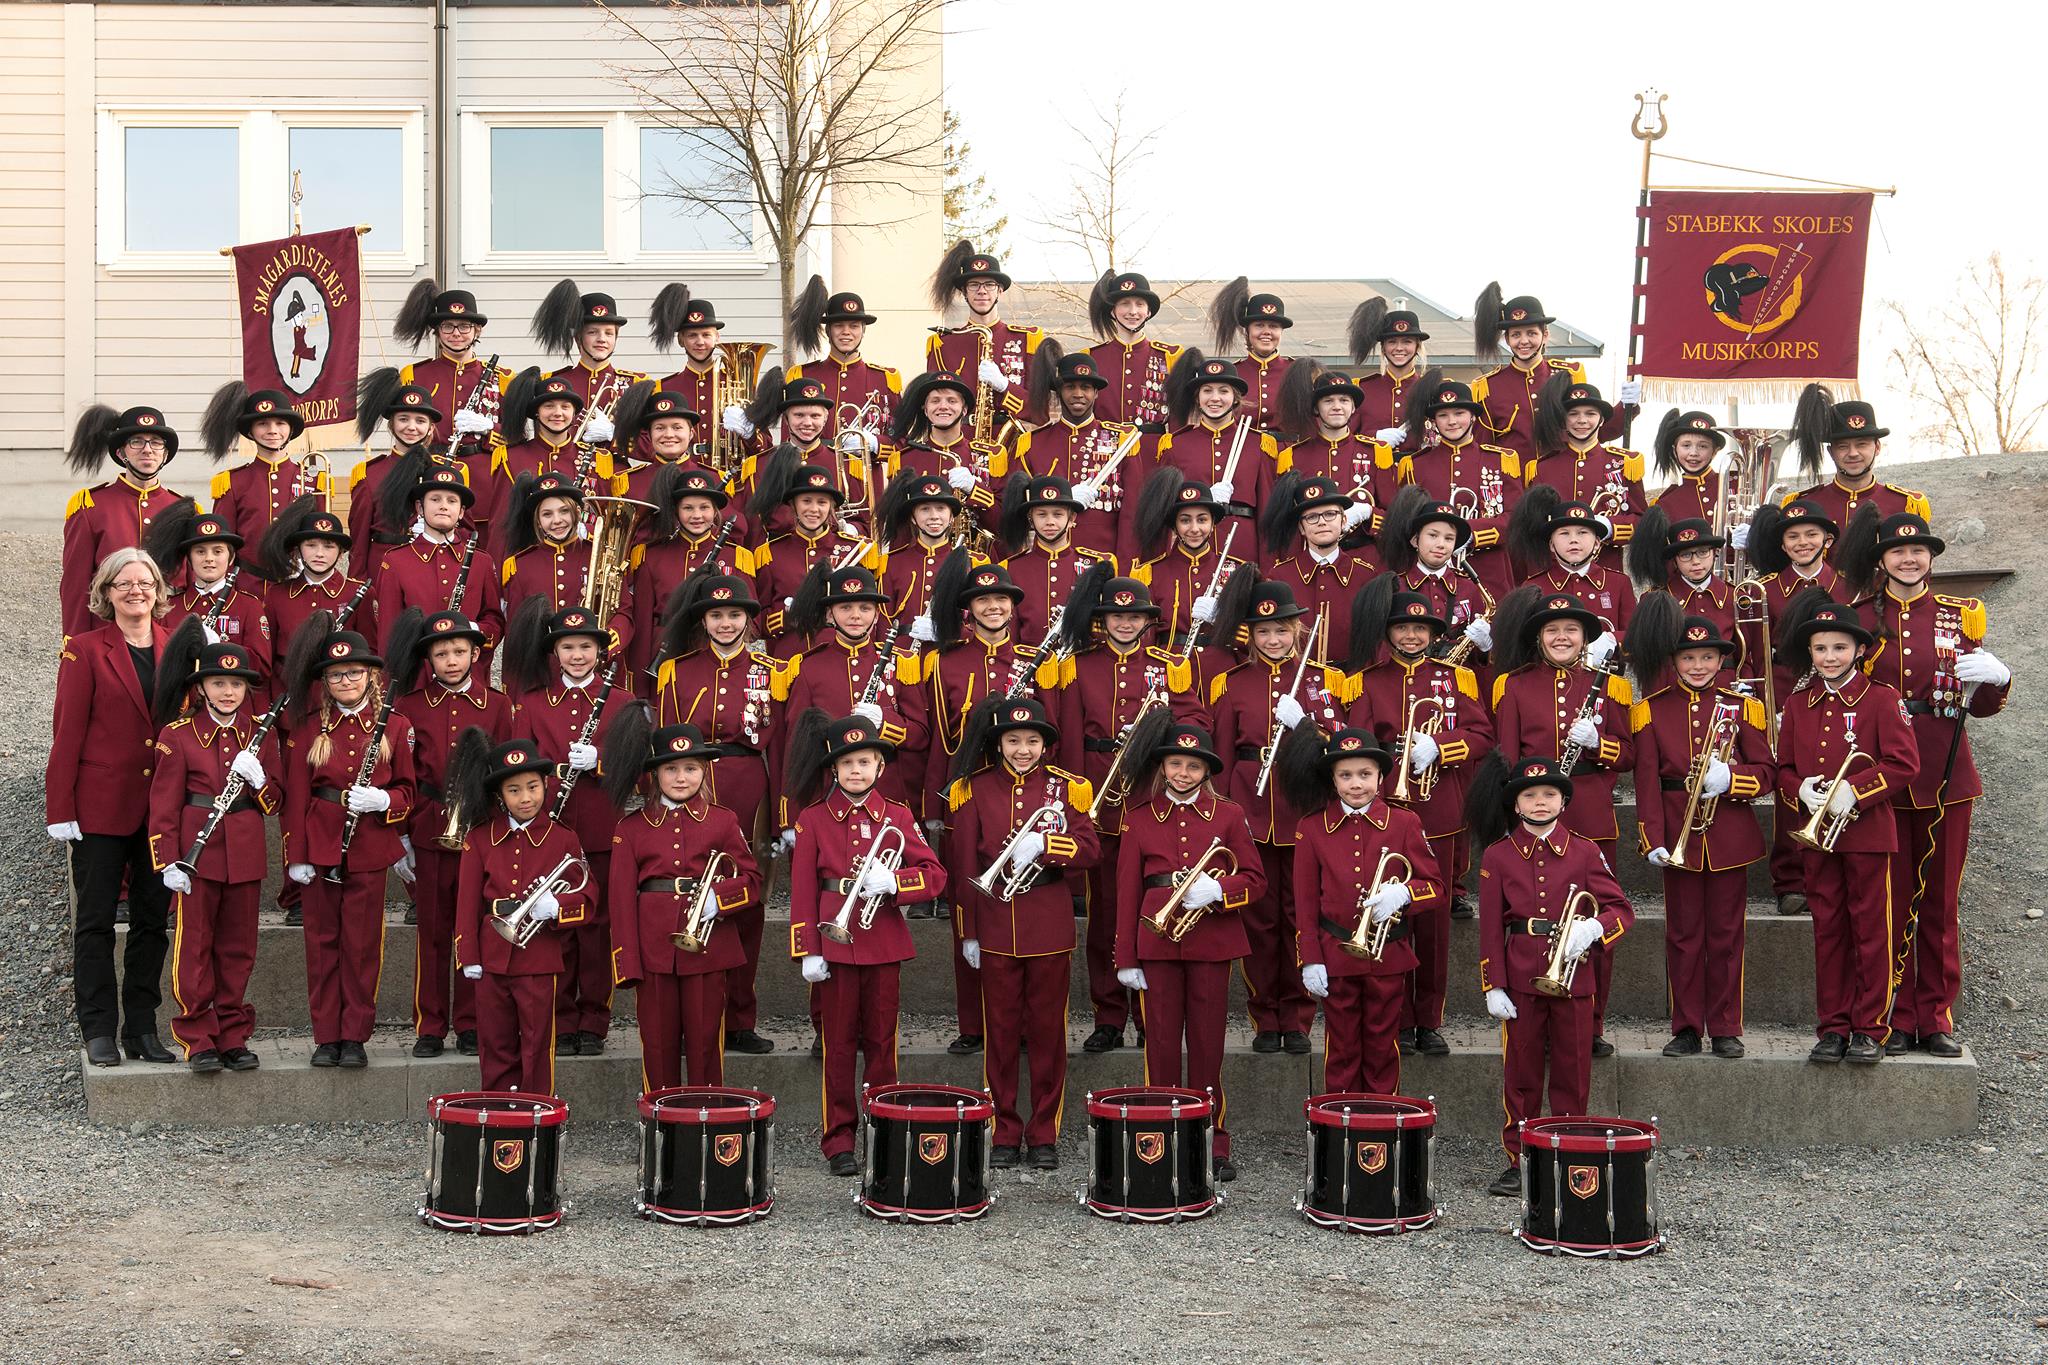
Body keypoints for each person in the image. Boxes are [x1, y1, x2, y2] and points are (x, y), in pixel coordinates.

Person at [1838, 509, 2011, 1057]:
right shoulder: (1858, 617)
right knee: (1884, 900)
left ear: (1930, 557)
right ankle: (1889, 1015)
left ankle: (1933, 1014)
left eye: (1918, 551)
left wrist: (1998, 680)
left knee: (1938, 900)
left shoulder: (1961, 616)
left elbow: (1979, 704)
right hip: (1880, 775)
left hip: (1944, 771)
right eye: (1896, 551)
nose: (1908, 559)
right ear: (1881, 559)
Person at [1044, 572, 1202, 1053]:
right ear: (1103, 620)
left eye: (1135, 616)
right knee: (1106, 916)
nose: (1126, 623)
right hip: (1100, 803)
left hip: (1153, 801)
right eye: (1117, 615)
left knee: (1150, 911)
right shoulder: (1077, 666)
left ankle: (1151, 1015)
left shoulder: (1168, 665)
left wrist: (1160, 733)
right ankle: (1109, 1015)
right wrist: (1072, 802)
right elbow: (1060, 732)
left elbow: (1198, 720)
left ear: (1147, 620)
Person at [785, 711, 948, 1173]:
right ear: (833, 770)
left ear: (880, 768)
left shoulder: (897, 816)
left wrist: (895, 882)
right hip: (832, 943)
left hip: (883, 942)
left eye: (865, 762)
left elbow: (936, 875)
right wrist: (807, 949)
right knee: (836, 1045)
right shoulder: (813, 819)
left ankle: (885, 1130)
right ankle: (838, 1141)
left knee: (882, 1042)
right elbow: (801, 891)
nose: (856, 771)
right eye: (847, 763)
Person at [1469, 753, 1634, 1197]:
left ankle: (1569, 1155)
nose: (1540, 802)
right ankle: (1519, 1160)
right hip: (1521, 976)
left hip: (1575, 978)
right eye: (1529, 795)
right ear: (1516, 804)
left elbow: (1621, 909)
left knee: (1571, 1072)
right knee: (1520, 1075)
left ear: (1564, 801)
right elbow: (1489, 926)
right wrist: (1493, 983)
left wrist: (1596, 928)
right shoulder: (1498, 855)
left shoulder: (1585, 850)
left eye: (1549, 794)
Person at [947, 695, 1099, 1169]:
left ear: (1045, 745)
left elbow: (1092, 850)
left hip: (1049, 920)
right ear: (998, 744)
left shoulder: (1068, 789)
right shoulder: (971, 790)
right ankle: (1005, 1129)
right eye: (1013, 740)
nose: (1023, 749)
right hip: (993, 923)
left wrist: (1049, 844)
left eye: (1032, 741)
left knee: (1050, 1032)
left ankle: (1044, 1132)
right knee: (1002, 1033)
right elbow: (963, 866)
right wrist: (968, 931)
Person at [1206, 580, 1356, 1055]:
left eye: (1281, 630)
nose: (1272, 639)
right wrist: (1224, 814)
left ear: (1297, 629)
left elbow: (1341, 748)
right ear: (1249, 635)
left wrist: (1305, 725)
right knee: (1258, 921)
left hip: (1304, 812)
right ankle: (1263, 1015)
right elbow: (1224, 754)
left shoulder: (1324, 679)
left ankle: (1297, 1017)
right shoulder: (1230, 682)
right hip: (1249, 811)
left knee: (1300, 917)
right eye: (1262, 631)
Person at [1113, 721, 1266, 1181]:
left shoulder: (1230, 815)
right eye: (1175, 764)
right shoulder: (1138, 817)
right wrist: (1126, 958)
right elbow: (1125, 892)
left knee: (1206, 1047)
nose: (1182, 773)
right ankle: (1158, 1135)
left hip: (1210, 941)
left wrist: (1218, 891)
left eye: (1192, 765)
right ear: (1162, 765)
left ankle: (1211, 1139)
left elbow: (1256, 880)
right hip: (1155, 942)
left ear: (1206, 770)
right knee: (1159, 1045)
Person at [1345, 582, 1495, 1052]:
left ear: (1434, 633)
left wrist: (1442, 747)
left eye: (1420, 628)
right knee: (1390, 916)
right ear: (1389, 633)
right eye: (1403, 628)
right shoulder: (1368, 680)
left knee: (1432, 924)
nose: (1412, 636)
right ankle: (1395, 1017)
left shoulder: (1456, 678)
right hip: (1383, 809)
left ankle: (1428, 1019)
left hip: (1440, 813)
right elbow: (1358, 741)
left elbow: (1482, 735)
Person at [1771, 597, 1918, 1066]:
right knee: (1828, 930)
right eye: (1820, 648)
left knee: (1872, 930)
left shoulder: (1881, 698)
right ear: (1810, 653)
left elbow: (1904, 764)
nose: (1829, 656)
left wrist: (1855, 789)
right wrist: (1803, 791)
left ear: (1858, 650)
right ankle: (1832, 1026)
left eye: (1839, 647)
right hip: (1818, 838)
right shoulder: (1798, 703)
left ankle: (1870, 1027)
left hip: (1868, 833)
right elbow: (1783, 769)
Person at [47, 547, 178, 1067]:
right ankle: (98, 1029)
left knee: (152, 922)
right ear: (106, 592)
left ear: (158, 592)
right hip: (100, 809)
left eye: (144, 582)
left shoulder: (180, 648)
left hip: (160, 810)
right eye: (123, 583)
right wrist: (61, 808)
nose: (135, 590)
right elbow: (67, 734)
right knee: (96, 921)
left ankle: (142, 1028)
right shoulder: (84, 649)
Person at [1489, 586, 1634, 1054]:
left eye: (1572, 630)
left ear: (1585, 637)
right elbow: (1506, 757)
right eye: (1553, 630)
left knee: (1590, 921)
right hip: (1531, 815)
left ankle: (1590, 1024)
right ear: (1539, 637)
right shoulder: (1513, 684)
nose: (1562, 637)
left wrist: (1599, 743)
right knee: (1536, 915)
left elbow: (1628, 754)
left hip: (1590, 811)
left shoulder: (1608, 685)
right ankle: (1536, 1016)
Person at [1626, 601, 1773, 1060]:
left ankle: (1727, 1026)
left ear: (1720, 660)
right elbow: (1647, 783)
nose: (1698, 665)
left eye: (1707, 657)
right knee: (1683, 935)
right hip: (1677, 836)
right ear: (1674, 662)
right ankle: (1686, 1026)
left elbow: (1767, 771)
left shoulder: (1742, 707)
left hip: (1727, 831)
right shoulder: (1649, 710)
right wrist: (1653, 839)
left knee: (1727, 935)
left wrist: (1732, 779)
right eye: (1688, 658)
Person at [650, 574, 780, 1054]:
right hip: (690, 790)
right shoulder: (676, 671)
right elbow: (662, 744)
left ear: (749, 619)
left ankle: (741, 1018)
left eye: (735, 615)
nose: (726, 623)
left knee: (746, 902)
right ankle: (689, 1016)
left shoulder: (773, 669)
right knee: (686, 895)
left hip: (751, 787)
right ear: (703, 620)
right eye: (716, 615)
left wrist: (782, 812)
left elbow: (782, 746)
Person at [918, 555, 1041, 1054]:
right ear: (968, 610)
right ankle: (974, 1025)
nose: (993, 607)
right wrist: (932, 807)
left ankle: (1026, 1025)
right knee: (968, 903)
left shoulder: (1038, 658)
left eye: (1000, 600)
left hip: (1025, 794)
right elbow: (935, 741)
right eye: (982, 601)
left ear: (1013, 607)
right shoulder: (943, 660)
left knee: (1025, 908)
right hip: (966, 794)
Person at [1279, 725, 1444, 1095]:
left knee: (1383, 1046)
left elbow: (1435, 887)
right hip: (1335, 955)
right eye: (1346, 775)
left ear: (1381, 776)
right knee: (1341, 1049)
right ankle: (1339, 1130)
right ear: (1333, 780)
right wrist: (1310, 959)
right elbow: (1303, 902)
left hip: (1389, 956)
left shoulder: (1405, 822)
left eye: (1366, 774)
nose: (1356, 784)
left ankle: (1381, 1128)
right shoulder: (1312, 828)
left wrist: (1403, 895)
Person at [604, 710, 764, 1089]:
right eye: (671, 769)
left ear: (704, 773)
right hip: (653, 948)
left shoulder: (723, 821)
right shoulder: (630, 828)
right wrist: (627, 963)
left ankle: (705, 1125)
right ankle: (661, 1133)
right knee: (656, 1048)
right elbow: (621, 902)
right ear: (655, 775)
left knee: (706, 1043)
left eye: (691, 768)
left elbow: (753, 882)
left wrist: (718, 899)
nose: (681, 778)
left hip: (709, 946)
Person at [281, 623, 417, 1069]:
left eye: (354, 673)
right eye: (336, 675)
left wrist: (384, 801)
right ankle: (326, 1036)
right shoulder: (305, 727)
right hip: (321, 840)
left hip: (368, 844)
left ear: (371, 677)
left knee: (361, 945)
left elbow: (407, 792)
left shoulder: (393, 725)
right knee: (322, 943)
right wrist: (296, 856)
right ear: (325, 681)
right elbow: (297, 795)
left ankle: (355, 1036)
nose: (345, 682)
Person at [501, 601, 633, 1057]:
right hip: (548, 829)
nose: (577, 655)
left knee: (596, 927)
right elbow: (519, 769)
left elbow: (641, 771)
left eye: (585, 646)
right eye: (567, 647)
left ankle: (593, 1020)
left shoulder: (621, 702)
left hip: (601, 826)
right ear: (554, 652)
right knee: (555, 924)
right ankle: (559, 1017)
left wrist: (603, 761)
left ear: (600, 650)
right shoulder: (534, 703)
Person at [147, 625, 281, 1073]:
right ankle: (198, 1037)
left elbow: (275, 802)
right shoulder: (178, 734)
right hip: (194, 852)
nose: (228, 692)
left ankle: (232, 1036)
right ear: (201, 687)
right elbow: (163, 804)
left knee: (238, 949)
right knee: (195, 948)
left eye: (237, 684)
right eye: (219, 683)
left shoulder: (262, 734)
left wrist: (260, 780)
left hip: (243, 848)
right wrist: (167, 861)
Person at [390, 608, 513, 1058]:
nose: (451, 660)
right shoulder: (409, 706)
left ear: (477, 654)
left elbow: (505, 772)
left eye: (460, 651)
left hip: (479, 829)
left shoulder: (499, 705)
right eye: (441, 653)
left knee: (472, 927)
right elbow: (401, 772)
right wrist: (400, 836)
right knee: (433, 929)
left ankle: (470, 1022)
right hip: (428, 823)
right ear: (428, 659)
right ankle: (430, 1024)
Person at [452, 737, 595, 1095]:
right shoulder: (481, 838)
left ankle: (537, 1115)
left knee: (537, 1045)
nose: (526, 797)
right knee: (495, 1043)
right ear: (501, 796)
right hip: (490, 955)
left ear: (547, 785)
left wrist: (559, 908)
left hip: (540, 956)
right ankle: (499, 1113)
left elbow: (589, 897)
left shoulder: (564, 838)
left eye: (532, 787)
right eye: (514, 790)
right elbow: (467, 903)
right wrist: (467, 956)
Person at [1739, 499, 1840, 916]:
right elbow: (1748, 652)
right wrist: (1762, 705)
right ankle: (1790, 879)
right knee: (1790, 785)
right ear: (1782, 543)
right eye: (1793, 536)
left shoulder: (1851, 587)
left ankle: (1834, 872)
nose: (1802, 542)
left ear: (1827, 539)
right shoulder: (1762, 589)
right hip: (1784, 696)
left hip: (1840, 692)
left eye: (1811, 534)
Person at [769, 566, 929, 830]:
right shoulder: (807, 667)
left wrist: (885, 722)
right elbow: (795, 748)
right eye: (845, 608)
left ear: (877, 614)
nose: (856, 616)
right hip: (829, 799)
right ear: (830, 614)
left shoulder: (902, 663)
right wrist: (790, 817)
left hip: (888, 799)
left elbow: (921, 735)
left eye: (865, 608)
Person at [60, 405, 187, 640]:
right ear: (121, 453)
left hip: (168, 630)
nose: (147, 450)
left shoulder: (185, 510)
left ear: (165, 454)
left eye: (156, 442)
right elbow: (76, 585)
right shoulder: (91, 507)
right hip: (108, 628)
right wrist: (76, 642)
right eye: (137, 442)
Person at [1469, 285, 1633, 463]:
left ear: (1545, 335)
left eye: (1531, 333)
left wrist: (1626, 406)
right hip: (1514, 487)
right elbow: (1482, 449)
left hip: (1562, 484)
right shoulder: (1489, 386)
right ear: (1507, 339)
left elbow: (1593, 433)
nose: (1524, 341)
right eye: (1516, 334)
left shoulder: (1569, 375)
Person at [1393, 375, 1523, 599]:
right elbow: (1407, 523)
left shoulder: (1501, 459)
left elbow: (1516, 518)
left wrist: (1469, 533)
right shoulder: (1414, 465)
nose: (1452, 421)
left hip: (1489, 570)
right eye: (1443, 415)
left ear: (1473, 417)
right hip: (1433, 574)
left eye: (1459, 413)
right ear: (1434, 422)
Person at [630, 464, 758, 681]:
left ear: (715, 511)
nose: (697, 515)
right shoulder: (650, 556)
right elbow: (642, 625)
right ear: (676, 511)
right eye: (688, 508)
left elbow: (752, 618)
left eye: (704, 508)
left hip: (716, 656)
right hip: (664, 657)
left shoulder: (738, 557)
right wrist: (641, 686)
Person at [1000, 350, 1134, 557]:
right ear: (1059, 391)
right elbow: (1017, 510)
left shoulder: (1122, 440)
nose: (1078, 394)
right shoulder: (1031, 443)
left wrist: (1123, 567)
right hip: (1046, 560)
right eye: (1070, 387)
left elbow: (1131, 513)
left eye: (1086, 387)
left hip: (1103, 560)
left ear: (1097, 393)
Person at [142, 501, 275, 699]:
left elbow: (262, 668)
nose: (209, 558)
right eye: (200, 551)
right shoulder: (170, 607)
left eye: (218, 551)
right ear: (189, 558)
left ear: (230, 559)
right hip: (182, 710)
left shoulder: (249, 606)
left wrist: (219, 647)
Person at [374, 465, 505, 658]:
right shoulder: (395, 561)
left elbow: (495, 622)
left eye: (451, 501)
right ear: (420, 507)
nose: (443, 506)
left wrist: (469, 628)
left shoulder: (481, 561)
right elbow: (389, 630)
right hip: (416, 674)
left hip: (469, 675)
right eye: (435, 499)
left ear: (461, 512)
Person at [496, 472, 634, 656]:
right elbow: (516, 633)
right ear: (537, 520)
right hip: (544, 670)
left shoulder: (602, 554)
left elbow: (624, 611)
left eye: (564, 511)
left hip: (596, 664)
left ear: (577, 512)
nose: (557, 520)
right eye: (547, 514)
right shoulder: (520, 565)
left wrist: (606, 644)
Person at [750, 463, 874, 659]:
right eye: (806, 501)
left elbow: (871, 609)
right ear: (793, 505)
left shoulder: (857, 549)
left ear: (832, 506)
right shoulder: (769, 553)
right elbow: (757, 619)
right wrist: (789, 616)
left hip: (840, 657)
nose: (814, 509)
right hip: (789, 658)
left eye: (822, 502)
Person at [1148, 352, 1285, 530]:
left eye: (1223, 391)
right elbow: (1165, 511)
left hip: (1243, 545)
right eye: (1207, 391)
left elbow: (1268, 512)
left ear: (1235, 398)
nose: (1214, 398)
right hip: (1193, 545)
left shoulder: (1258, 444)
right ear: (1197, 399)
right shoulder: (1175, 445)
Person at [1783, 387, 1930, 546]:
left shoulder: (1906, 503)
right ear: (1831, 452)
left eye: (1862, 444)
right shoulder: (1804, 503)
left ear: (1878, 447)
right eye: (1842, 446)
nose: (1853, 453)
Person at [1525, 379, 1646, 571]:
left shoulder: (1625, 464)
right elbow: (1532, 527)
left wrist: (1609, 526)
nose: (1582, 420)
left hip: (1607, 572)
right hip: (1554, 573)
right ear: (1563, 420)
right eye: (1573, 414)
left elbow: (1641, 522)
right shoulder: (1541, 468)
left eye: (1590, 414)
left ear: (1602, 419)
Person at [1258, 473, 1379, 666]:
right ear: (1301, 528)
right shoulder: (1280, 576)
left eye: (1330, 514)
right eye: (1312, 517)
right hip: (1295, 683)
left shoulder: (1365, 576)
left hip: (1350, 681)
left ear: (1344, 520)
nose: (1322, 522)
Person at [345, 377, 459, 570]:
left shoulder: (448, 471)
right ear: (391, 425)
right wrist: (360, 586)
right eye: (403, 419)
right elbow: (359, 540)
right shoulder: (368, 474)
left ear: (431, 428)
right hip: (384, 567)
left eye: (420, 421)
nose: (411, 427)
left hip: (435, 568)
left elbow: (466, 529)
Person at [481, 369, 603, 545]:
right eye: (549, 406)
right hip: (530, 563)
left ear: (574, 413)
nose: (558, 413)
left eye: (565, 406)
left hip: (581, 558)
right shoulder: (511, 457)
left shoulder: (598, 459)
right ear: (537, 412)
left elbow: (604, 520)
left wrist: (589, 533)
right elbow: (502, 525)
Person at [925, 242, 1041, 426]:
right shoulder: (942, 344)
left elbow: (1040, 413)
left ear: (1000, 290)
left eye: (989, 284)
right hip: (962, 443)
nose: (981, 291)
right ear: (963, 292)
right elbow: (932, 407)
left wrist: (1004, 385)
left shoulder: (1027, 339)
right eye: (973, 285)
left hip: (1011, 447)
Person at [1128, 473, 1247, 650]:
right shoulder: (1150, 573)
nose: (1194, 529)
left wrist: (1222, 620)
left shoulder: (1237, 570)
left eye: (1202, 519)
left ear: (1213, 523)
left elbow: (1253, 635)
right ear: (1174, 526)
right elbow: (1143, 637)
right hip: (1170, 667)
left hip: (1222, 670)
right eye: (1185, 520)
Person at [1508, 485, 1637, 647]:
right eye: (1564, 533)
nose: (1573, 540)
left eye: (1582, 532)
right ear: (1552, 545)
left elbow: (1636, 636)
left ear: (1597, 543)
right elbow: (1524, 643)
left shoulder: (1619, 583)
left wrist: (1613, 640)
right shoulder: (1533, 586)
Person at [1375, 488, 1491, 666]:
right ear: (1415, 540)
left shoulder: (1469, 588)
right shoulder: (1396, 585)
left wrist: (1486, 648)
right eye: (1433, 535)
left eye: (1449, 538)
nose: (1440, 545)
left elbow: (1478, 662)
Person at [1275, 365, 1398, 530]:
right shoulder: (1292, 456)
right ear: (1315, 408)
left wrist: (1369, 512)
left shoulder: (1377, 452)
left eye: (1344, 400)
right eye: (1328, 401)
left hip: (1363, 551)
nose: (1337, 406)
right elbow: (1283, 520)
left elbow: (1394, 516)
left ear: (1353, 408)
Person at [997, 474, 1115, 646]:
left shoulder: (1098, 564)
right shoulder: (1011, 568)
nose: (1050, 522)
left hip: (1081, 664)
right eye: (1042, 514)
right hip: (1029, 664)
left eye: (1058, 514)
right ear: (1031, 518)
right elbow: (1010, 634)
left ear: (1072, 518)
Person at [201, 385, 325, 548]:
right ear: (251, 431)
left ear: (291, 429)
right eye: (262, 424)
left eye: (280, 423)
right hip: (247, 573)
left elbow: (322, 538)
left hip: (299, 572)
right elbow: (222, 543)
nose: (272, 430)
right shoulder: (231, 482)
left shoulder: (315, 480)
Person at [389, 281, 505, 454]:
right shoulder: (414, 374)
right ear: (437, 331)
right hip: (430, 469)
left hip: (484, 474)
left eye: (465, 326)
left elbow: (519, 439)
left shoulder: (503, 378)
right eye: (448, 326)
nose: (456, 333)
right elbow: (403, 429)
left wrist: (489, 428)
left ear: (478, 331)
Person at [1627, 510, 1743, 679]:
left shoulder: (1734, 596)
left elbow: (1748, 654)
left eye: (1703, 552)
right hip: (1674, 690)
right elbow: (1650, 660)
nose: (1696, 561)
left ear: (1715, 553)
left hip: (1725, 689)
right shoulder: (1654, 599)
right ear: (1674, 560)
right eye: (1686, 555)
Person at [786, 275, 901, 443]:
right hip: (815, 468)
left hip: (865, 468)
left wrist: (876, 444)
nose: (846, 332)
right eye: (839, 325)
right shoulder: (802, 374)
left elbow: (901, 441)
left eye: (854, 326)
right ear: (828, 331)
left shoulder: (886, 378)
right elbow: (788, 440)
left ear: (863, 331)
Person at [531, 280, 647, 442]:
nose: (602, 339)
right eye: (592, 332)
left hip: (615, 467)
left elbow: (651, 447)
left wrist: (613, 435)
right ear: (578, 337)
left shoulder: (637, 384)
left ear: (616, 337)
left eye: (609, 333)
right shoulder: (550, 381)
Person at [1086, 269, 1183, 430]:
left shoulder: (1169, 356)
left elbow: (1179, 419)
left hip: (1154, 451)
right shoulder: (1092, 357)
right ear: (1113, 311)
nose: (1133, 311)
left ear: (1148, 312)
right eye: (1125, 304)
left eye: (1140, 304)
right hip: (1107, 449)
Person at [874, 472, 969, 628]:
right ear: (913, 517)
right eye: (925, 509)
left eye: (941, 509)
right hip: (902, 650)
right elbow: (884, 624)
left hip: (951, 648)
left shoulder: (971, 562)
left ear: (952, 516)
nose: (934, 516)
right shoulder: (891, 563)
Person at [1208, 277, 1296, 436]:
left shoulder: (1296, 372)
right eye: (1259, 325)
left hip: (1287, 453)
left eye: (1274, 326)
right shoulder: (1233, 373)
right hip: (1244, 454)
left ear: (1281, 331)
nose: (1266, 332)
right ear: (1247, 331)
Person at [1344, 298, 1430, 436]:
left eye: (1407, 342)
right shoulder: (1362, 389)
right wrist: (1375, 437)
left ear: (1417, 346)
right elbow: (1346, 437)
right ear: (1383, 348)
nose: (1399, 348)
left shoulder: (1431, 389)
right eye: (1392, 342)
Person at [1649, 409, 1727, 525]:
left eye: (1703, 446)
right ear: (1675, 450)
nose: (1693, 453)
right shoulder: (1665, 504)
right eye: (1686, 445)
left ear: (1715, 452)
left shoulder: (1735, 484)